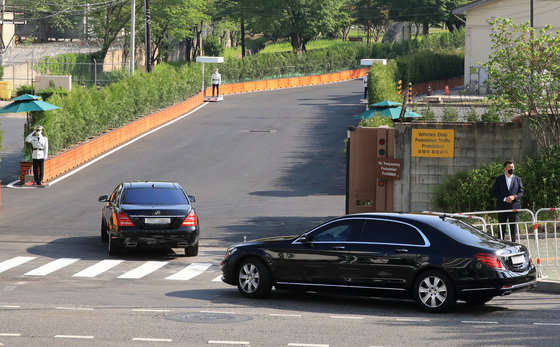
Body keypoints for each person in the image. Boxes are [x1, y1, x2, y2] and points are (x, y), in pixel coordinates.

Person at [492, 160, 524, 242]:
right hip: (502, 206)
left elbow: (521, 192)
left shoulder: (518, 179)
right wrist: (505, 198)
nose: (511, 169)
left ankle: (513, 243)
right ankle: (500, 243)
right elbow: (494, 192)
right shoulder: (499, 179)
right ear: (505, 169)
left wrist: (514, 197)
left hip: (514, 207)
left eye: (513, 167)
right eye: (509, 167)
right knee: (501, 226)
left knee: (513, 227)